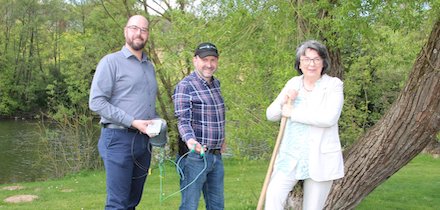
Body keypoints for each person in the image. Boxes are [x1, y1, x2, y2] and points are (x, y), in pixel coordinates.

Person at [89, 15, 161, 210]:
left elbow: (144, 104)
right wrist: (132, 121)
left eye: (144, 30)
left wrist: (156, 122)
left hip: (143, 142)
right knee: (117, 203)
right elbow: (96, 102)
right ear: (125, 31)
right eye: (134, 28)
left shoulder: (149, 66)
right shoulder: (110, 62)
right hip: (118, 139)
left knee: (132, 201)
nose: (139, 33)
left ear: (148, 35)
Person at [265, 40, 344, 210]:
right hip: (290, 157)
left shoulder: (333, 85)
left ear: (323, 63)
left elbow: (329, 118)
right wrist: (283, 102)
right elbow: (271, 115)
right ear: (299, 63)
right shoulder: (293, 83)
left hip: (319, 158)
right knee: (273, 197)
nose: (311, 64)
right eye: (306, 59)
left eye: (316, 59)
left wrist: (292, 113)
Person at [173, 42, 226, 210]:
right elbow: (183, 120)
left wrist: (222, 138)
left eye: (213, 60)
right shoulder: (185, 86)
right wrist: (190, 140)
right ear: (195, 60)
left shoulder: (216, 84)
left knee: (217, 206)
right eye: (205, 60)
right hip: (194, 157)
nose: (209, 65)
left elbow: (215, 116)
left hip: (216, 156)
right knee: (189, 206)